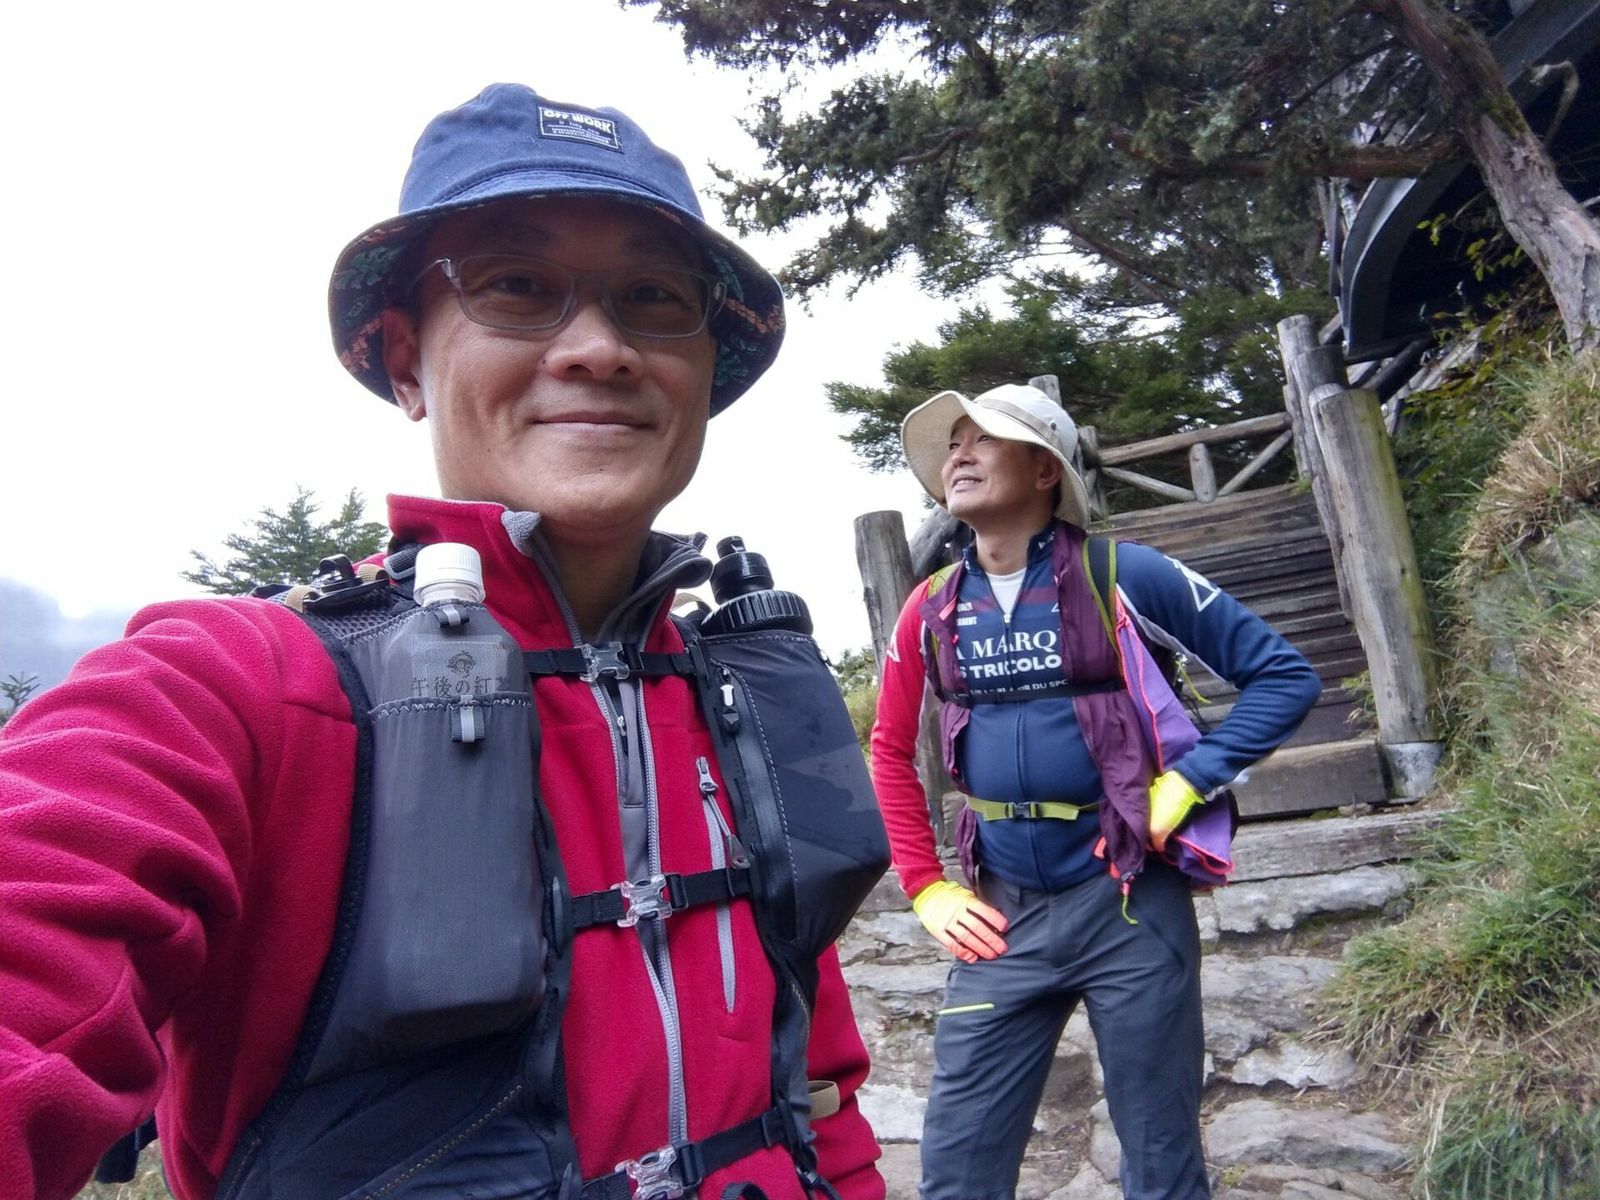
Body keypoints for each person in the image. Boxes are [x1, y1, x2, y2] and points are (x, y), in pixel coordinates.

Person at [0, 84, 887, 1200]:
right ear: (406, 361)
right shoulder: (239, 688)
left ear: (707, 371)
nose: (600, 347)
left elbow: (820, 1095)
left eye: (654, 297)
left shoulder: (743, 699)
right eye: (517, 285)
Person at [869, 384, 1322, 1200]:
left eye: (984, 438)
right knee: (957, 1170)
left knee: (1160, 1161)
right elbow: (890, 749)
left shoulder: (1123, 573)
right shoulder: (929, 608)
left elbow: (1284, 677)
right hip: (1001, 917)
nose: (959, 453)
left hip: (1129, 902)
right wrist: (925, 886)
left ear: (1046, 470)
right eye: (953, 442)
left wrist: (1191, 780)